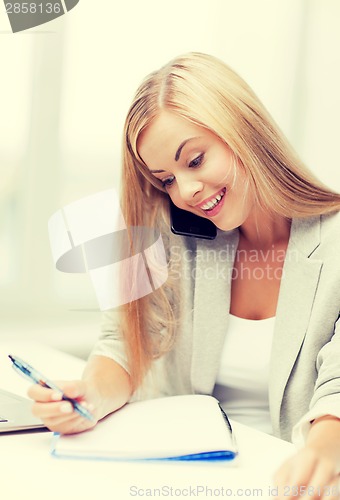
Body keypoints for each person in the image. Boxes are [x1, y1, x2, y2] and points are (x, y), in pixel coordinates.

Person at [29, 52, 340, 498]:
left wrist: (325, 451)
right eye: (166, 180)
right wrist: (87, 397)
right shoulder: (167, 234)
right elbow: (124, 345)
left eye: (193, 161)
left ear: (244, 131)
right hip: (185, 480)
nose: (186, 192)